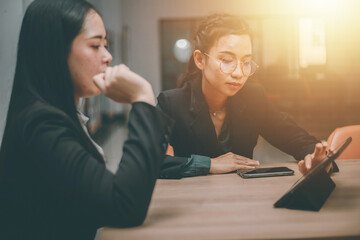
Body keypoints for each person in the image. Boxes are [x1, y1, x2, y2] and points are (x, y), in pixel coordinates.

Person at [0, 0, 172, 239]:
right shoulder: (41, 123)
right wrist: (142, 96)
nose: (108, 56)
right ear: (55, 50)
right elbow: (124, 206)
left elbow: (94, 199)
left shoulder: (58, 114)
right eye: (95, 45)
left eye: (106, 44)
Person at [157, 14, 330, 179]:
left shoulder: (253, 98)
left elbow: (298, 139)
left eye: (246, 62)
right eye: (226, 60)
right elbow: (148, 162)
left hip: (244, 197)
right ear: (200, 60)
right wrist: (209, 164)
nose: (239, 73)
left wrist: (317, 159)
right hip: (191, 199)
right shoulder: (172, 104)